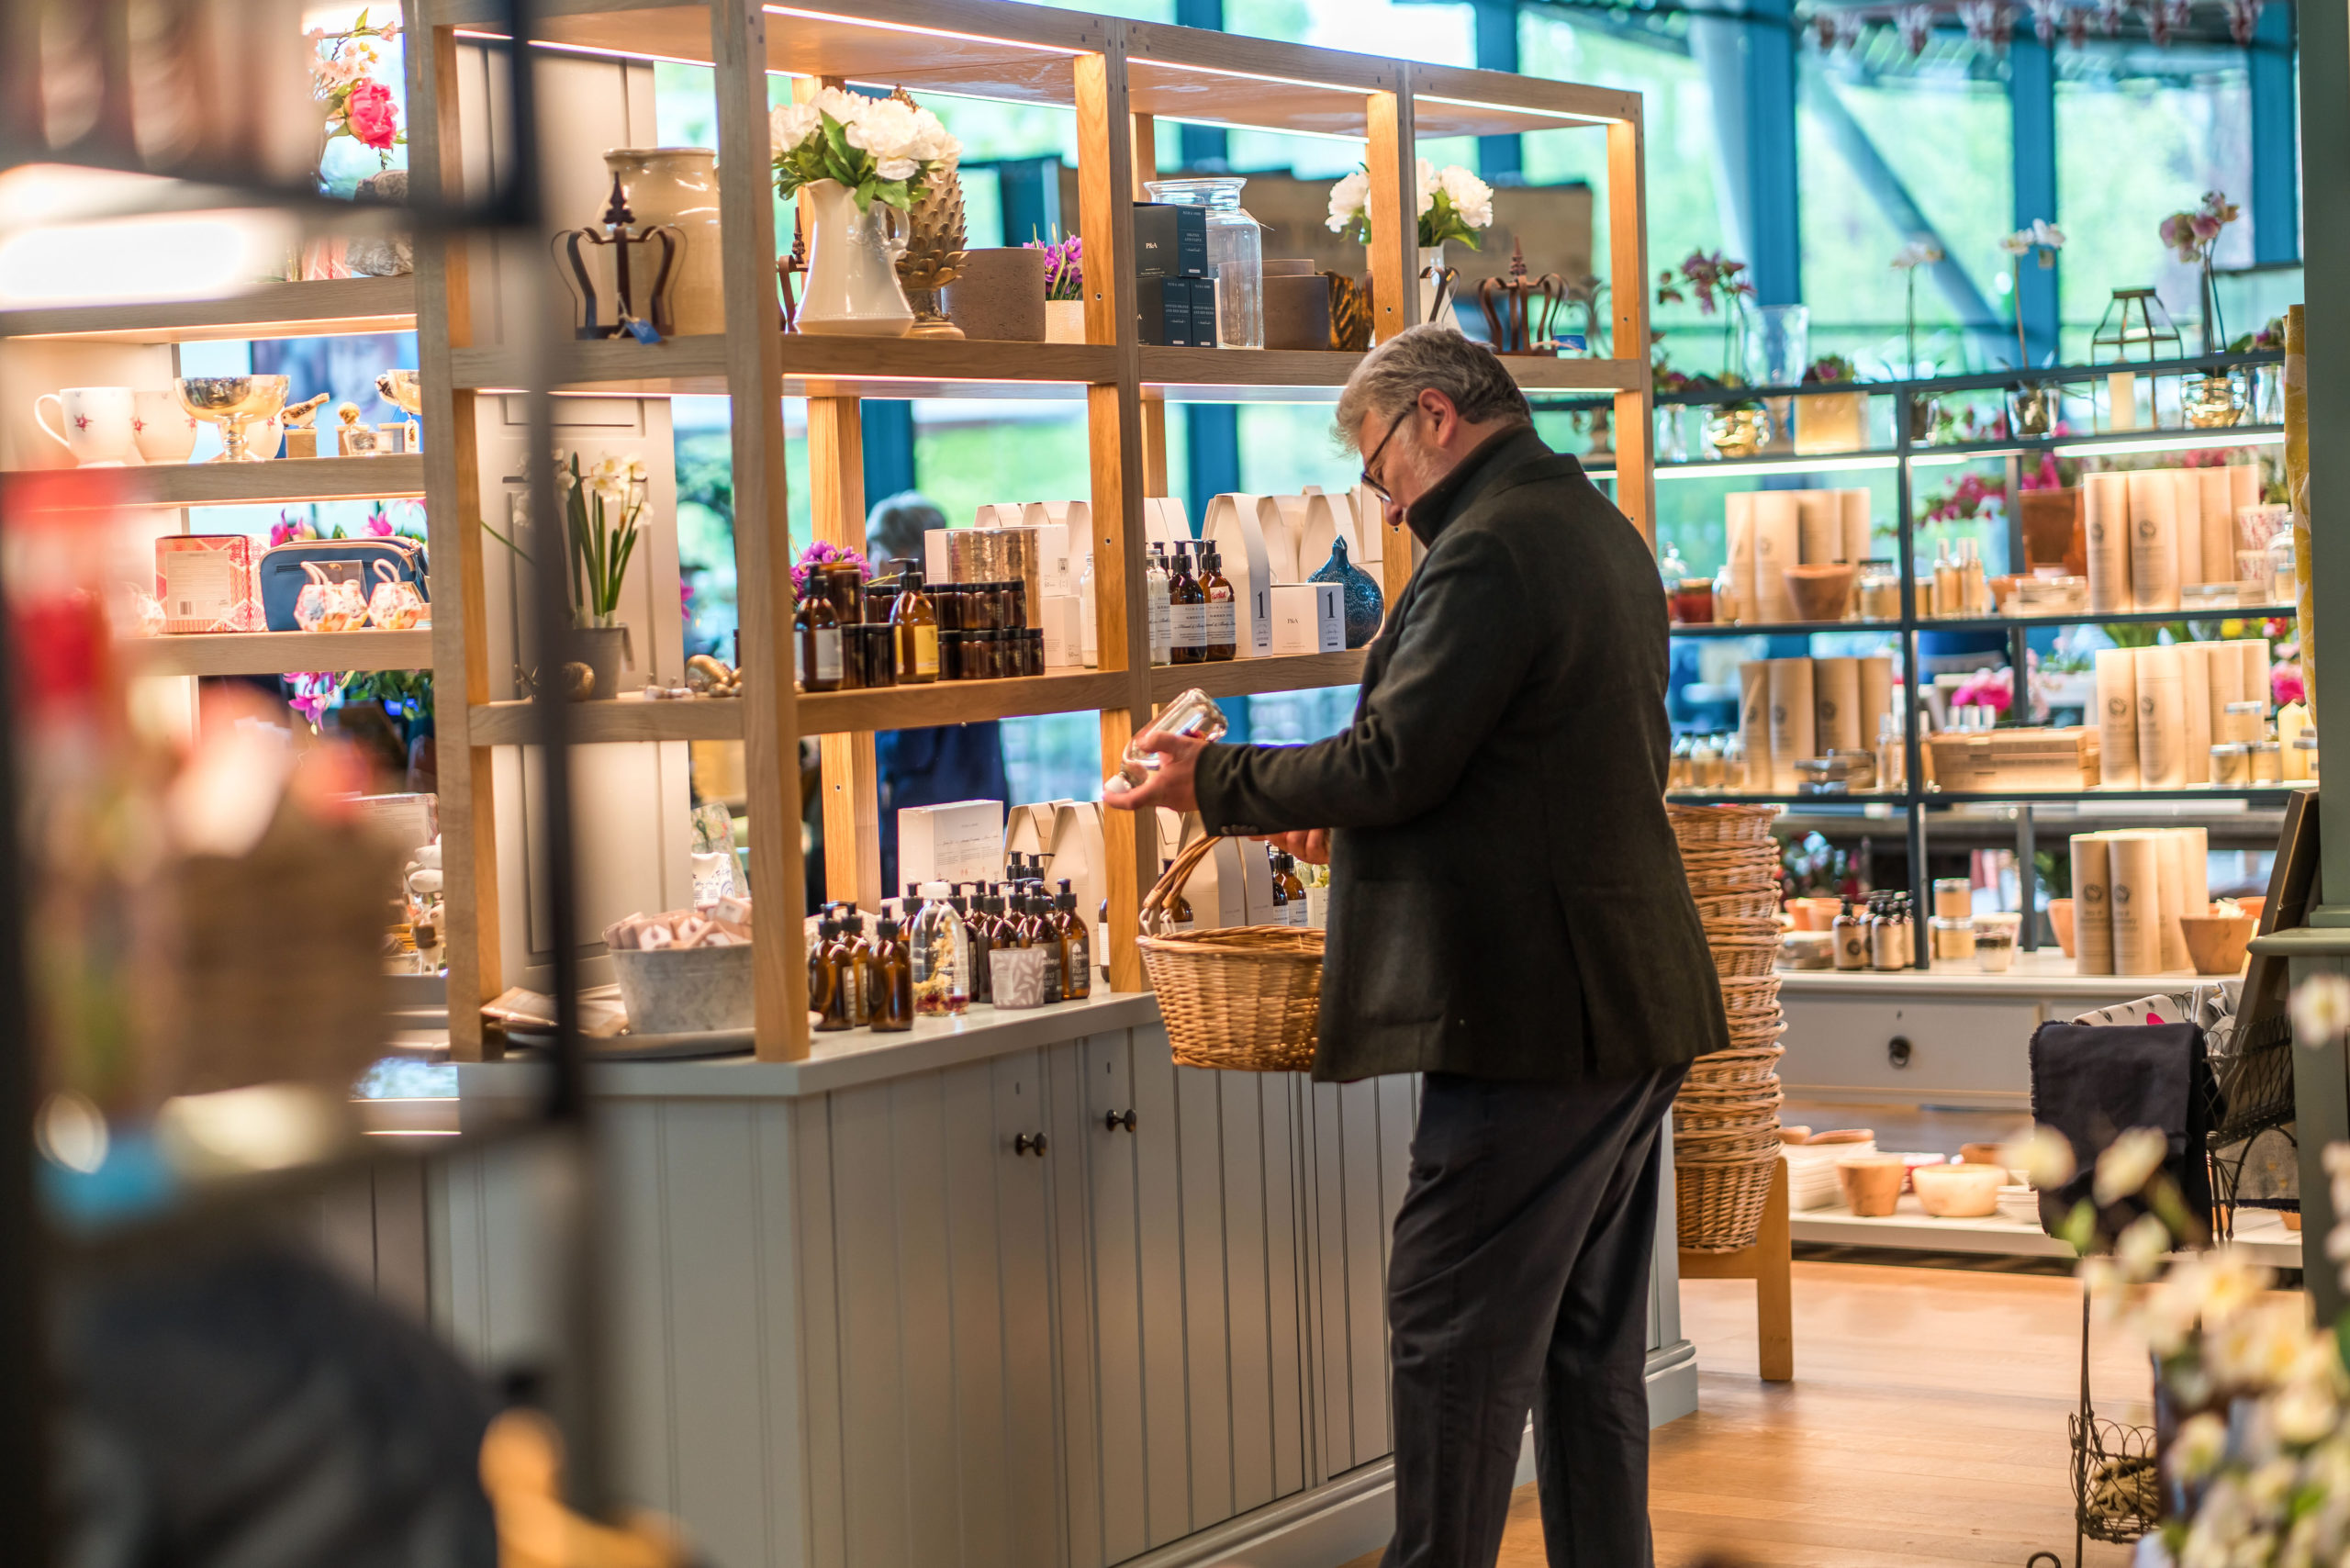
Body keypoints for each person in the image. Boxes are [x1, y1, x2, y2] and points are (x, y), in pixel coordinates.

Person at [1105, 325, 1725, 1567]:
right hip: (1622, 998)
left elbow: (1396, 761)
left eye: (1375, 460)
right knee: (1583, 1354)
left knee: (1449, 1335)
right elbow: (1530, 770)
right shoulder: (1589, 526)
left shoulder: (1490, 548)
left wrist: (1208, 780)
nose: (1379, 499)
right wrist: (1355, 831)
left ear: (1436, 416)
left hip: (1535, 1015)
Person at [865, 491, 1011, 892]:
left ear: (897, 554)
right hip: (984, 797)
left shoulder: (911, 619)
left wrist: (865, 737)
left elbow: (910, 747)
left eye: (872, 548)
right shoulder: (968, 608)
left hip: (925, 808)